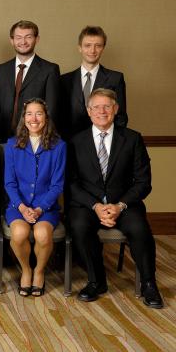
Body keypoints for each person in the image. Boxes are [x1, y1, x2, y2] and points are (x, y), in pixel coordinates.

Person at [68, 88, 163, 308]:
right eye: (97, 107)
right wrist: (96, 207)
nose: (102, 111)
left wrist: (119, 206)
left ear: (115, 109)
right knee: (79, 226)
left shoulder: (132, 138)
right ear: (88, 111)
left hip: (124, 203)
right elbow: (71, 183)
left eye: (107, 106)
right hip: (88, 204)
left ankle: (149, 284)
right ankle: (96, 280)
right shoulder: (75, 141)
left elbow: (143, 182)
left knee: (140, 229)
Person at [4, 98, 66, 297]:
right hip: (18, 206)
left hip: (45, 207)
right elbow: (9, 183)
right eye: (29, 113)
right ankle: (26, 270)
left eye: (39, 113)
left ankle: (39, 271)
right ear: (24, 118)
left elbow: (57, 185)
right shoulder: (12, 145)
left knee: (42, 235)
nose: (34, 118)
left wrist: (40, 208)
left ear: (46, 118)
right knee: (19, 234)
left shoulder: (59, 146)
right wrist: (22, 207)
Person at [0, 20, 60, 145]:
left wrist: (46, 140)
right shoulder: (1, 70)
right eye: (18, 37)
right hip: (2, 138)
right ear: (12, 40)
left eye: (28, 37)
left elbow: (51, 110)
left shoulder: (49, 70)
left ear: (37, 39)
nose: (23, 42)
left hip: (35, 139)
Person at [60, 26, 128, 140]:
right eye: (87, 45)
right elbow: (60, 117)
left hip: (103, 143)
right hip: (70, 143)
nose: (92, 50)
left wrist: (111, 143)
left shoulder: (115, 79)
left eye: (98, 45)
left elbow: (120, 117)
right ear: (79, 48)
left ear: (103, 48)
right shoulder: (64, 80)